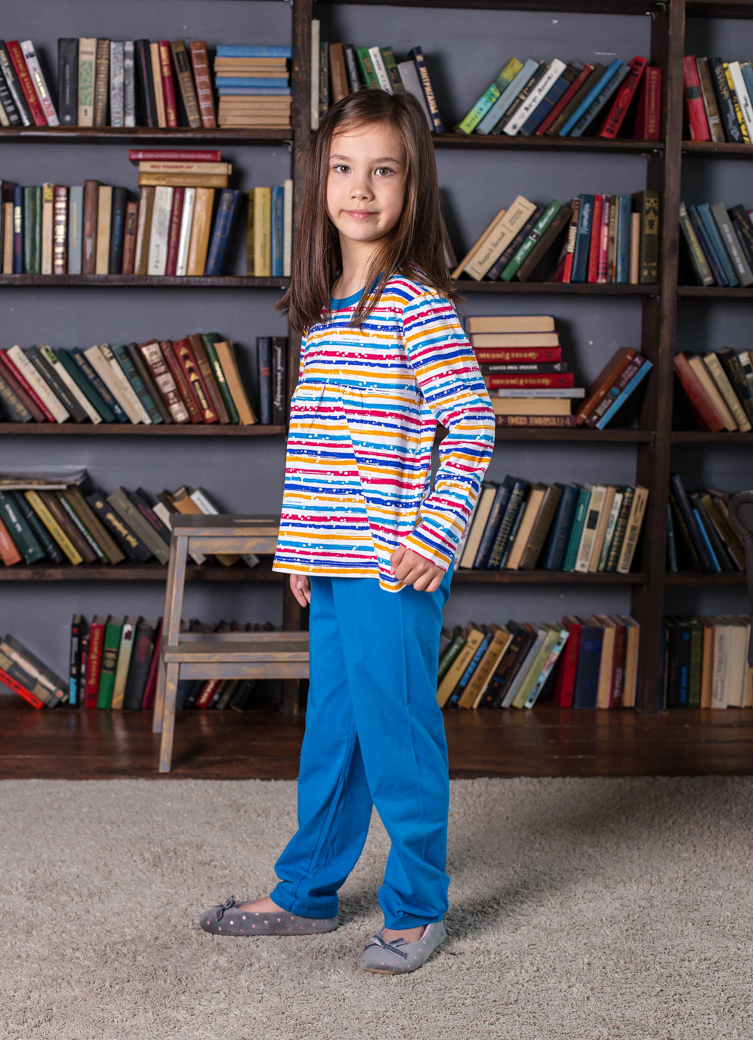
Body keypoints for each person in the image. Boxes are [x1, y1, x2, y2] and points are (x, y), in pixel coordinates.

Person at [199, 88, 495, 974]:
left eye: (382, 170)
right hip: (330, 561)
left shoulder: (415, 303)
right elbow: (320, 443)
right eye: (342, 168)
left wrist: (433, 538)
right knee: (334, 732)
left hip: (393, 566)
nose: (359, 188)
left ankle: (416, 905)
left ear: (412, 186)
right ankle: (307, 890)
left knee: (397, 737)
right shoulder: (326, 306)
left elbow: (470, 423)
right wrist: (301, 548)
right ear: (319, 181)